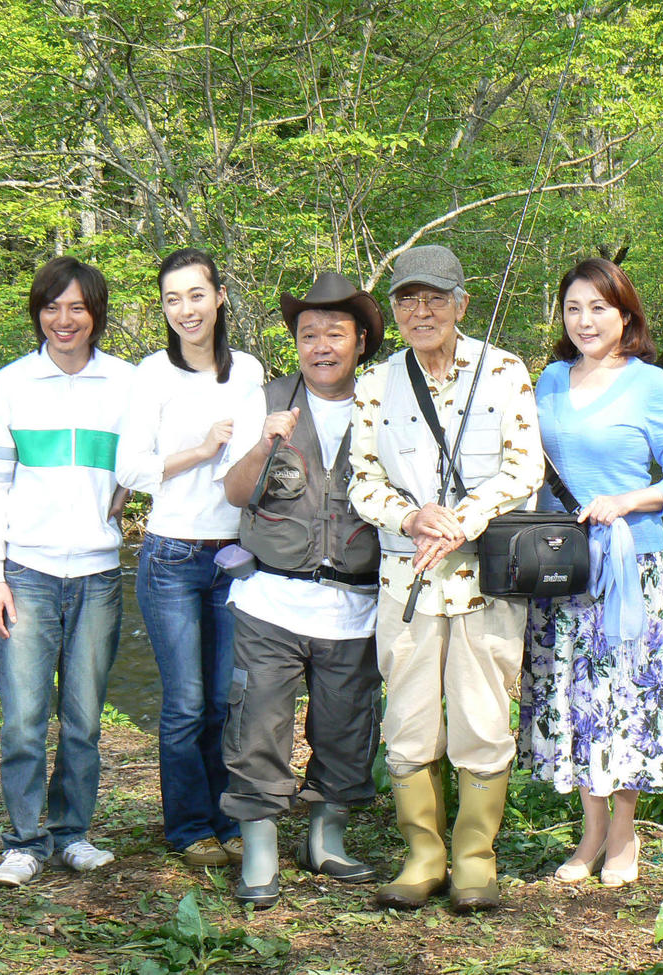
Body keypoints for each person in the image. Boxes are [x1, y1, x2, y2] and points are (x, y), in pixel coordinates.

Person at [349, 244, 543, 912]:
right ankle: (423, 857)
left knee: (483, 718)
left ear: (461, 303)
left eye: (435, 298)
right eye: (408, 299)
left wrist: (464, 519)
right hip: (405, 582)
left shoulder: (505, 372)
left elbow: (525, 468)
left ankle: (475, 861)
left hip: (486, 580)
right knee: (406, 719)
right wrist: (409, 516)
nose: (421, 311)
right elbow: (362, 481)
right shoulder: (375, 384)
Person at [518, 257, 663, 887]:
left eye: (598, 308)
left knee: (626, 696)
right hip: (560, 566)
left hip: (629, 566)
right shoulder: (548, 381)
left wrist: (625, 500)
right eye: (573, 308)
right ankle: (589, 831)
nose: (585, 321)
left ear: (625, 315)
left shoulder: (652, 385)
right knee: (574, 696)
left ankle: (623, 835)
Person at [218, 271, 386, 909]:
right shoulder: (265, 402)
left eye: (335, 334)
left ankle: (325, 840)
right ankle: (259, 849)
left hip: (356, 605)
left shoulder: (386, 405)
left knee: (347, 724)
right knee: (257, 722)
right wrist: (266, 444)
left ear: (360, 341)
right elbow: (235, 493)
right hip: (271, 600)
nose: (321, 346)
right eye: (308, 334)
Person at [0, 256, 135, 887]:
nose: (63, 320)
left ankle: (72, 835)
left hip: (98, 575)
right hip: (26, 573)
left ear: (96, 314)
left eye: (77, 308)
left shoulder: (125, 383)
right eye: (51, 307)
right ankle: (23, 843)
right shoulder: (10, 385)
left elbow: (151, 454)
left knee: (84, 721)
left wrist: (129, 484)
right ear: (38, 312)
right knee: (23, 721)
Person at [115, 248, 264, 867]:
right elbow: (130, 468)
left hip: (237, 556)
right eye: (172, 299)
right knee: (185, 704)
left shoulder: (249, 371)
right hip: (172, 555)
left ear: (220, 297)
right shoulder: (152, 374)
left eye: (196, 295)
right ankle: (188, 828)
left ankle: (226, 820)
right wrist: (202, 452)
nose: (186, 310)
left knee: (226, 700)